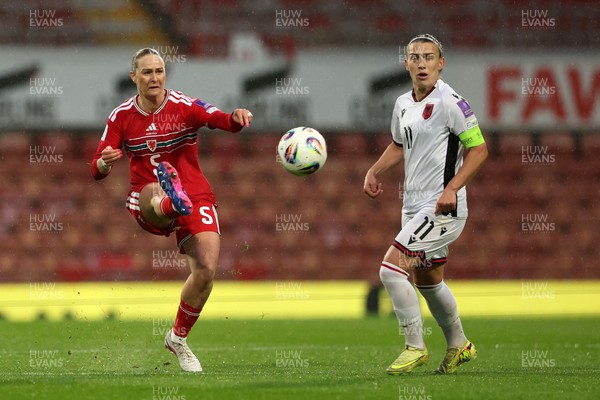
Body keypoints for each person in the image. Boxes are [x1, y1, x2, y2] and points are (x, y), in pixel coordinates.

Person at [91, 48, 253, 372]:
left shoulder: (183, 106)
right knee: (154, 191)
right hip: (145, 196)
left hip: (194, 193)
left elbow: (218, 119)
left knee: (206, 269)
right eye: (147, 72)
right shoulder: (121, 116)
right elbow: (96, 166)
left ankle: (177, 338)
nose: (154, 78)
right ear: (133, 77)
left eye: (159, 71)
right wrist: (103, 163)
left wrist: (235, 119)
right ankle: (170, 198)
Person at [363, 34, 488, 375]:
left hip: (442, 208)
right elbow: (399, 144)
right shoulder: (403, 103)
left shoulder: (452, 103)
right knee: (428, 282)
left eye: (428, 57)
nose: (421, 63)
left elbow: (479, 150)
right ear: (406, 63)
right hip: (414, 206)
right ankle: (460, 344)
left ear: (440, 63)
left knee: (389, 270)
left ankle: (414, 346)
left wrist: (452, 188)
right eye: (415, 57)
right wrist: (374, 170)